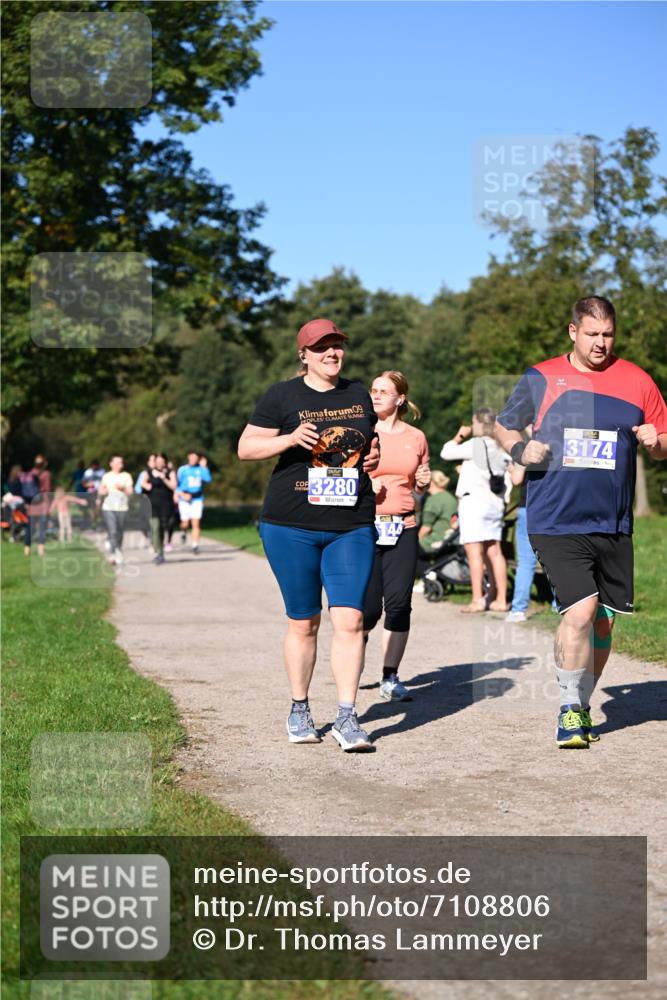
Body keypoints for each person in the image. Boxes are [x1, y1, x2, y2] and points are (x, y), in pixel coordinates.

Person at [495, 295, 667, 748]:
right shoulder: (542, 376)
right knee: (582, 610)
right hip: (554, 516)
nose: (600, 343)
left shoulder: (637, 381)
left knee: (604, 623)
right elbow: (504, 425)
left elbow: (664, 440)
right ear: (573, 332)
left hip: (612, 522)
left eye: (608, 334)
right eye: (592, 334)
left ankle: (583, 701)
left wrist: (658, 440)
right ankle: (570, 709)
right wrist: (519, 450)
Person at [238, 317, 380, 751]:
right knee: (304, 622)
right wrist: (288, 438)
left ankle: (346, 716)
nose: (331, 354)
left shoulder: (358, 394)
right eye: (321, 348)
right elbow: (246, 449)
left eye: (337, 346)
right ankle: (300, 708)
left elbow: (368, 446)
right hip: (290, 524)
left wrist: (372, 459)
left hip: (350, 524)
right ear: (303, 354)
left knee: (351, 619)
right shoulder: (282, 395)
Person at [362, 371, 430, 701]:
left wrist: (423, 482)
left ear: (399, 398)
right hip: (365, 526)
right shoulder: (362, 431)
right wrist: (365, 485)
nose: (375, 396)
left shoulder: (416, 437)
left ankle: (390, 677)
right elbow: (338, 474)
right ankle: (354, 655)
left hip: (404, 525)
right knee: (370, 609)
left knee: (400, 604)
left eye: (383, 391)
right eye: (373, 390)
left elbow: (417, 483)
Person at [441, 408, 511, 613]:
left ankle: (477, 599)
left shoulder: (475, 445)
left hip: (474, 504)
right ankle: (500, 599)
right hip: (495, 504)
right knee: (495, 551)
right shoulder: (502, 447)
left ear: (480, 424)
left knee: (474, 552)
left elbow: (446, 452)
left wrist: (459, 435)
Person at [505, 437, 538, 623]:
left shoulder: (526, 446)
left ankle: (518, 610)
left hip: (528, 507)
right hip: (553, 507)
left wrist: (511, 468)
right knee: (557, 557)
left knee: (526, 561)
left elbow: (517, 479)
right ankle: (560, 604)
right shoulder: (558, 443)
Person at [415, 470, 458, 581]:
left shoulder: (433, 500)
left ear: (432, 482)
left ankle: (429, 575)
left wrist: (414, 540)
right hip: (450, 539)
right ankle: (431, 577)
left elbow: (426, 528)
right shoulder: (451, 497)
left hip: (435, 540)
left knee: (407, 552)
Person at [142, 453, 177, 564]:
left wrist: (164, 478)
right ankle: (159, 552)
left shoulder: (170, 472)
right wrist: (146, 486)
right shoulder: (149, 472)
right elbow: (143, 482)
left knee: (163, 528)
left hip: (166, 504)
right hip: (153, 504)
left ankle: (161, 552)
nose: (160, 463)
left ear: (165, 462)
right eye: (158, 461)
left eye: (162, 461)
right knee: (155, 528)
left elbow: (174, 486)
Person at [98, 455, 134, 565]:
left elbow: (131, 492)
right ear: (111, 464)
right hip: (108, 507)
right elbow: (101, 491)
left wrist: (122, 488)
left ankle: (118, 548)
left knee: (119, 531)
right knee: (113, 530)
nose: (119, 465)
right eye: (117, 462)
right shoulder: (106, 476)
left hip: (122, 507)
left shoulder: (126, 476)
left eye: (121, 463)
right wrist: (103, 492)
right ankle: (114, 553)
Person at [176, 451, 212, 555]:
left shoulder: (201, 469)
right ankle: (183, 531)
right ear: (188, 457)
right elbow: (176, 485)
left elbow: (208, 480)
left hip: (197, 499)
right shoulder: (183, 469)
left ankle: (195, 545)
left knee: (196, 523)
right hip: (184, 499)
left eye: (195, 458)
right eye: (191, 457)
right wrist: (182, 495)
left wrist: (204, 467)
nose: (193, 459)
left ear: (198, 459)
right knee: (185, 523)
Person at [24, 454, 53, 557]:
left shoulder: (30, 473)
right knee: (42, 527)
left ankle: (27, 550)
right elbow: (48, 490)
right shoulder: (46, 474)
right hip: (42, 504)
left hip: (31, 504)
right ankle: (41, 550)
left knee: (30, 528)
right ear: (44, 463)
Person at [82, 459, 104, 529]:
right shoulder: (88, 472)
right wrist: (88, 485)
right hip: (91, 492)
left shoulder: (102, 471)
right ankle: (93, 523)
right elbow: (83, 483)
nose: (94, 467)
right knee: (92, 508)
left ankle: (99, 522)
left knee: (99, 508)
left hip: (99, 492)